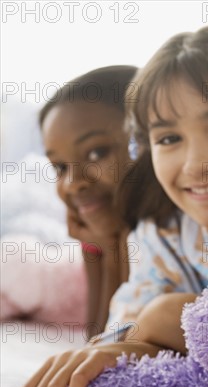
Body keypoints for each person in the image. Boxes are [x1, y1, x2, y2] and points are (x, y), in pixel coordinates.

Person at [19, 25, 208, 387]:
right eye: (169, 139)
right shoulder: (164, 232)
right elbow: (128, 328)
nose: (197, 164)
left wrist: (165, 318)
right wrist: (108, 351)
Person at [39, 65, 137, 332]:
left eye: (96, 153)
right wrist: (109, 249)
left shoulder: (169, 232)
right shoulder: (97, 234)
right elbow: (98, 338)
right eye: (60, 167)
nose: (73, 183)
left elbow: (129, 340)